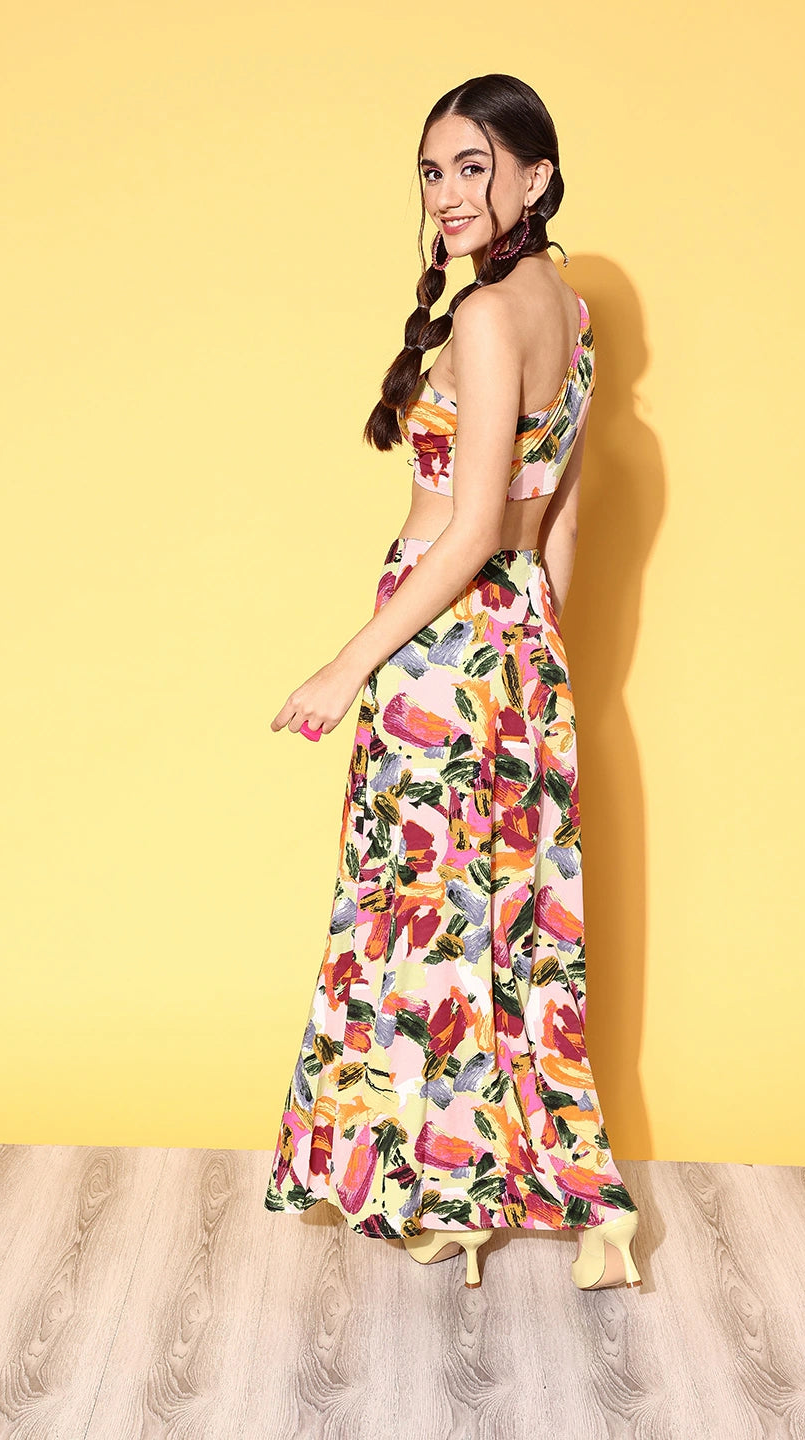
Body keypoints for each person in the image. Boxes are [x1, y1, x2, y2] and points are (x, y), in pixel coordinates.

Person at [263, 73, 642, 1294]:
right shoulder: (574, 315)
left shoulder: (483, 319)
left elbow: (472, 525)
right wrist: (538, 654)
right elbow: (558, 519)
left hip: (439, 641)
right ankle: (563, 1203)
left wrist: (349, 661)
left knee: (423, 914)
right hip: (518, 641)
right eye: (433, 171)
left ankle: (447, 1198)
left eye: (473, 166)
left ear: (536, 175)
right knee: (508, 922)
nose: (447, 193)